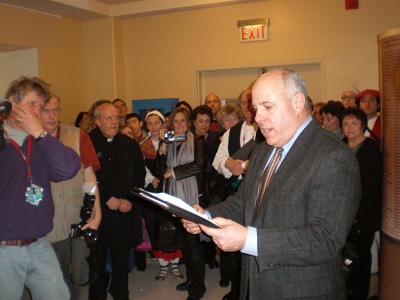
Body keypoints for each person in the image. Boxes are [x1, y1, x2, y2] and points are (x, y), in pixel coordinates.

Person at [183, 68, 361, 300]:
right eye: (257, 108)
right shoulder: (263, 151)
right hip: (256, 285)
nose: (257, 117)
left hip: (300, 290)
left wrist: (248, 240)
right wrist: (205, 217)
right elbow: (244, 202)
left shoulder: (332, 155)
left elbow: (324, 239)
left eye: (267, 106)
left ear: (297, 103)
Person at [0, 76, 81, 300]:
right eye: (31, 104)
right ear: (11, 103)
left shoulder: (40, 142)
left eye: (40, 106)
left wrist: (41, 134)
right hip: (3, 247)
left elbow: (67, 170)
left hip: (39, 243)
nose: (37, 111)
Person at [40, 94, 102, 300]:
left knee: (80, 273)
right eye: (45, 110)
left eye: (55, 110)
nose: (51, 116)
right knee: (54, 277)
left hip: (79, 217)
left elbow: (90, 177)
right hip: (49, 222)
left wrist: (97, 214)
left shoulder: (77, 136)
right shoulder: (29, 140)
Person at [88, 103, 146, 300]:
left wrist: (129, 199)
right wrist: (106, 199)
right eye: (108, 118)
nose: (114, 122)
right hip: (99, 213)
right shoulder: (88, 143)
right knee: (97, 260)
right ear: (97, 121)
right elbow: (84, 179)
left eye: (116, 118)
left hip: (124, 211)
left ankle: (121, 294)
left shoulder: (128, 143)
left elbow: (139, 174)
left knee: (121, 259)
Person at [156, 107, 208, 300]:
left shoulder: (198, 140)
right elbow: (160, 170)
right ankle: (191, 279)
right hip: (173, 196)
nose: (178, 124)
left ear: (188, 123)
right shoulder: (168, 141)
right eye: (175, 122)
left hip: (191, 196)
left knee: (194, 244)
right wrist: (161, 150)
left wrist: (174, 172)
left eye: (182, 121)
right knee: (183, 243)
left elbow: (199, 165)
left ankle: (198, 287)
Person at [341, 107, 382, 299]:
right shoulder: (340, 145)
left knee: (361, 255)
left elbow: (369, 186)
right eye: (346, 123)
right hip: (342, 213)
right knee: (346, 258)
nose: (350, 128)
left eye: (354, 123)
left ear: (363, 125)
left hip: (363, 213)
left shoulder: (371, 148)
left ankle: (360, 295)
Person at [140, 110, 184, 281]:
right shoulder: (142, 145)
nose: (153, 127)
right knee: (156, 228)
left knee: (174, 226)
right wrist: (152, 179)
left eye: (156, 123)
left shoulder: (174, 140)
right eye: (150, 124)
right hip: (153, 189)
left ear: (163, 124)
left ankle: (175, 265)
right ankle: (163, 267)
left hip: (173, 188)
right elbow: (141, 168)